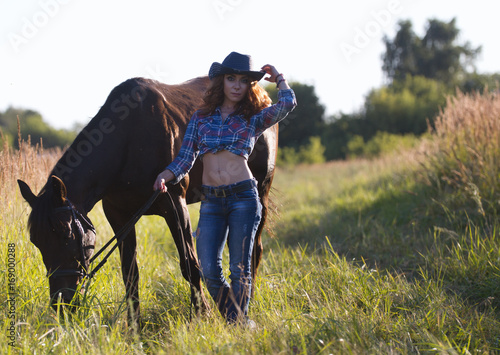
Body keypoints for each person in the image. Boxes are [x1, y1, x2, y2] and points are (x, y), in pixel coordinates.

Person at [153, 51, 297, 325]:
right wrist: (165, 175)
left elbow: (288, 103)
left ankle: (237, 325)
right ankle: (239, 320)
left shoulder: (253, 118)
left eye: (243, 80)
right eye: (231, 78)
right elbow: (185, 159)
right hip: (212, 203)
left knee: (239, 268)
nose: (236, 85)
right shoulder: (200, 118)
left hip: (243, 198)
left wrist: (279, 78)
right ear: (221, 82)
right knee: (208, 269)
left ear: (249, 86)